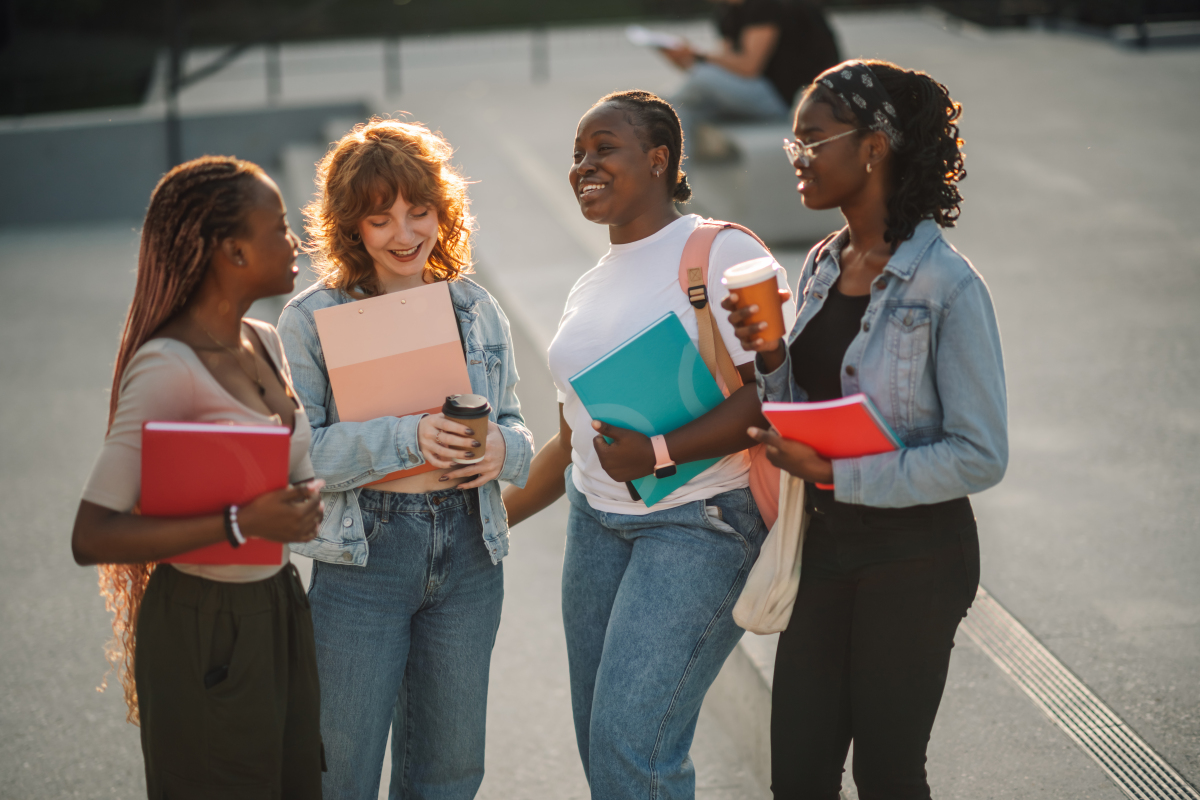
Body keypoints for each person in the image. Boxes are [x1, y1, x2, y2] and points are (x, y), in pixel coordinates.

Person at [723, 60, 1007, 799]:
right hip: (824, 547)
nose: (798, 160)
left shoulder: (948, 286)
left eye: (811, 141)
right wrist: (768, 353)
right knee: (800, 776)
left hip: (916, 556)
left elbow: (981, 455)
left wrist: (835, 474)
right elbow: (799, 404)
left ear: (874, 145)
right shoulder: (823, 262)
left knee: (887, 772)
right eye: (793, 145)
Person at [502, 89, 791, 800]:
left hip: (700, 524)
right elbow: (576, 440)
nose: (583, 165)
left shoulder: (721, 250)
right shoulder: (589, 287)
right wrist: (488, 518)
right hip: (598, 527)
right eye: (577, 154)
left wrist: (659, 452)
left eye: (604, 148)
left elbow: (779, 393)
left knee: (635, 747)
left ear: (658, 158)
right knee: (602, 743)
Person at [276, 117, 534, 800]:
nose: (405, 233)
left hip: (471, 555)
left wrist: (501, 449)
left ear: (443, 214)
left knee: (448, 773)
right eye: (381, 217)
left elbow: (517, 429)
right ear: (350, 226)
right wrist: (409, 437)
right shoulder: (308, 320)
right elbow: (302, 460)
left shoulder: (476, 308)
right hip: (364, 560)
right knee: (342, 772)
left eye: (420, 212)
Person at [71, 156, 325, 798]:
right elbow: (92, 535)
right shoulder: (166, 366)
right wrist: (243, 522)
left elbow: (280, 475)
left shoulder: (265, 339)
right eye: (278, 226)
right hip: (203, 621)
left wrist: (300, 506)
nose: (293, 239)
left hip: (277, 606)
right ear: (233, 250)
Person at [661, 0, 841, 156]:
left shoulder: (763, 6)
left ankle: (657, 108)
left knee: (700, 78)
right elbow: (726, 67)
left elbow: (749, 66)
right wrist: (684, 60)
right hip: (753, 95)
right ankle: (673, 190)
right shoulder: (727, 12)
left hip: (786, 101)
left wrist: (697, 55)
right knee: (680, 110)